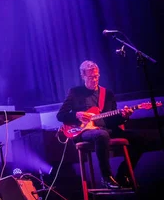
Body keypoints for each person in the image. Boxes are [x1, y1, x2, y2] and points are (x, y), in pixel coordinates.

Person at [56, 60, 147, 188]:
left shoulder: (107, 94)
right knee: (101, 135)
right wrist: (77, 115)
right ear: (83, 76)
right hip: (84, 131)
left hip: (107, 129)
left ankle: (122, 174)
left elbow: (112, 120)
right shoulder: (75, 92)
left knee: (140, 139)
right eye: (91, 77)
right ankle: (106, 177)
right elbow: (60, 116)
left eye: (97, 76)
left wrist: (124, 116)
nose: (95, 80)